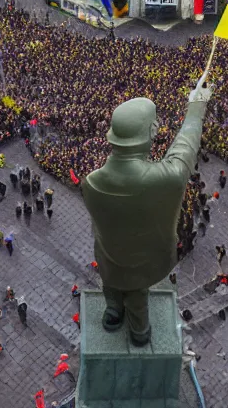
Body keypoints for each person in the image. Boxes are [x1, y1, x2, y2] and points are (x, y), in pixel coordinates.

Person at [82, 81, 212, 346]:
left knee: (111, 285)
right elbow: (184, 147)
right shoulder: (164, 179)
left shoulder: (91, 181)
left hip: (108, 255)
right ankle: (139, 333)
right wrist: (197, 104)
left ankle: (113, 313)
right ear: (150, 132)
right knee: (137, 296)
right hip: (142, 262)